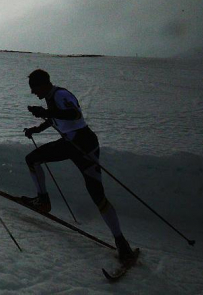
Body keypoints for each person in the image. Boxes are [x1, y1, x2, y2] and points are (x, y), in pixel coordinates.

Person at [22, 69, 135, 263]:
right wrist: (37, 128)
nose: (34, 93)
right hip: (73, 144)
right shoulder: (52, 96)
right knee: (32, 159)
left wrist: (44, 112)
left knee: (97, 195)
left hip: (83, 146)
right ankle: (43, 200)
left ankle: (121, 242)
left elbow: (73, 114)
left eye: (34, 89)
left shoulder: (61, 95)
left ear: (43, 85)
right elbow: (56, 118)